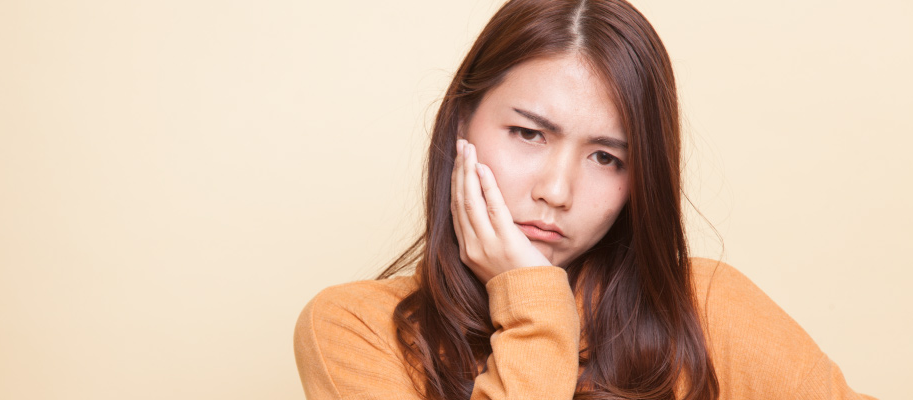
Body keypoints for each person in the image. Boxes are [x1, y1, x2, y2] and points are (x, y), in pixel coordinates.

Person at [294, 0, 876, 398]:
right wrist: (534, 306)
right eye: (529, 134)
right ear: (461, 126)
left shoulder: (705, 309)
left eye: (606, 157)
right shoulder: (360, 329)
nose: (556, 191)